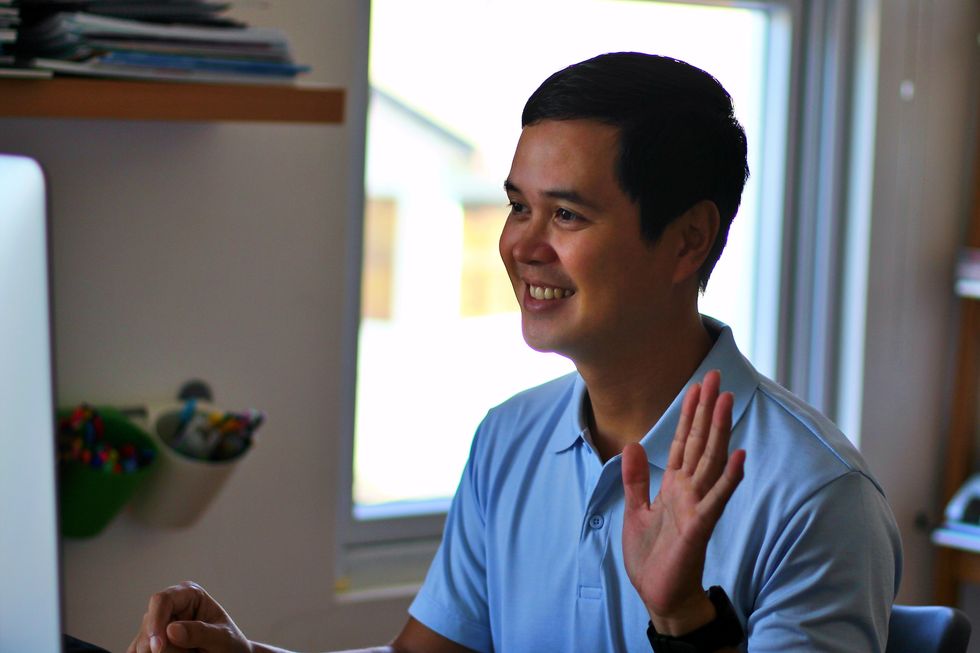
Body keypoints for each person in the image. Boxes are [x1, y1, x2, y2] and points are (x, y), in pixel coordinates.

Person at [128, 52, 902, 653]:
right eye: (518, 206)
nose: (520, 245)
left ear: (689, 239)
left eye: (566, 214)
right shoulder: (509, 439)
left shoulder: (815, 497)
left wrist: (683, 617)